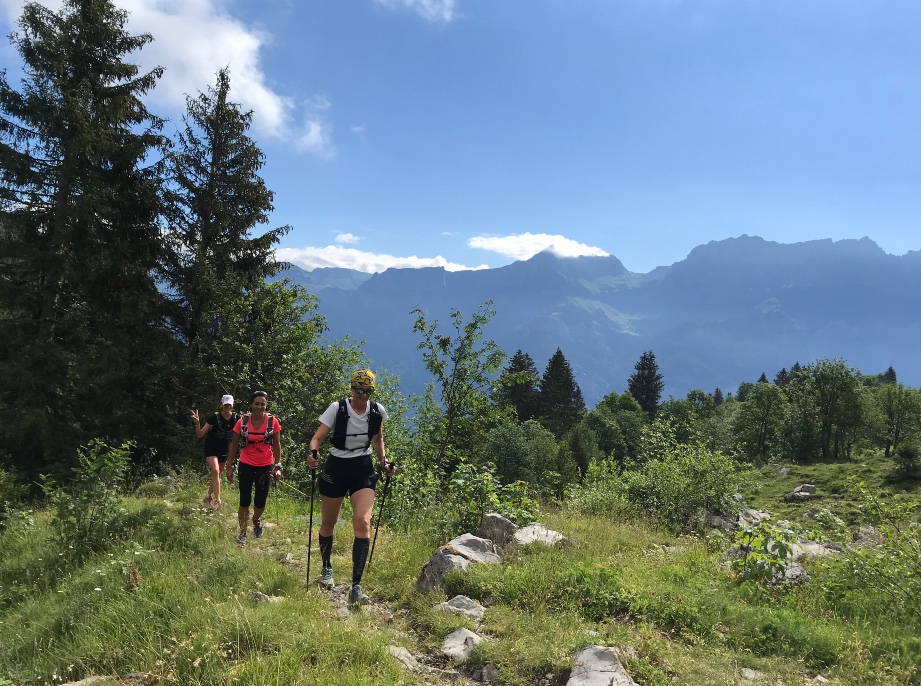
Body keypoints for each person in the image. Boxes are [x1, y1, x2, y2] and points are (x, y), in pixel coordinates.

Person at [307, 368, 395, 607]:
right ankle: (327, 568)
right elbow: (317, 438)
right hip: (336, 467)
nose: (363, 396)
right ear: (351, 389)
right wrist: (313, 454)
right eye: (359, 390)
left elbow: (377, 438)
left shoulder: (377, 411)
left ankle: (356, 586)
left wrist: (384, 462)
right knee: (328, 523)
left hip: (362, 468)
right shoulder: (337, 408)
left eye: (368, 391)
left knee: (363, 522)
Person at [225, 391, 282, 546]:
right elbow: (234, 445)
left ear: (266, 405)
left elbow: (277, 445)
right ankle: (243, 532)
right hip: (246, 463)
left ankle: (256, 519)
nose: (259, 407)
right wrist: (229, 466)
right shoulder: (242, 421)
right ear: (251, 404)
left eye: (263, 404)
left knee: (260, 500)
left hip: (266, 464)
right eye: (256, 403)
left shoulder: (272, 421)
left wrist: (278, 466)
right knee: (244, 500)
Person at [191, 395, 239, 508]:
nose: (227, 406)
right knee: (215, 471)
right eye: (225, 404)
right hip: (211, 448)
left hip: (224, 449)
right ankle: (218, 500)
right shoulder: (214, 418)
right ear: (221, 405)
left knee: (217, 475)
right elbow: (200, 434)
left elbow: (247, 428)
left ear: (232, 405)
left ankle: (208, 495)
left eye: (229, 404)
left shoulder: (237, 418)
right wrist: (197, 423)